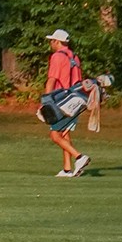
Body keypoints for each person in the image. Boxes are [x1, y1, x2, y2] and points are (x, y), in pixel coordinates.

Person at [42, 28, 90, 177]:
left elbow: (52, 79)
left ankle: (80, 157)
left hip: (62, 100)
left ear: (57, 41)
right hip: (77, 98)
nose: (50, 43)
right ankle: (67, 169)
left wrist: (45, 100)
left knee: (55, 135)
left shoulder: (57, 56)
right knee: (64, 133)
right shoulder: (74, 57)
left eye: (52, 40)